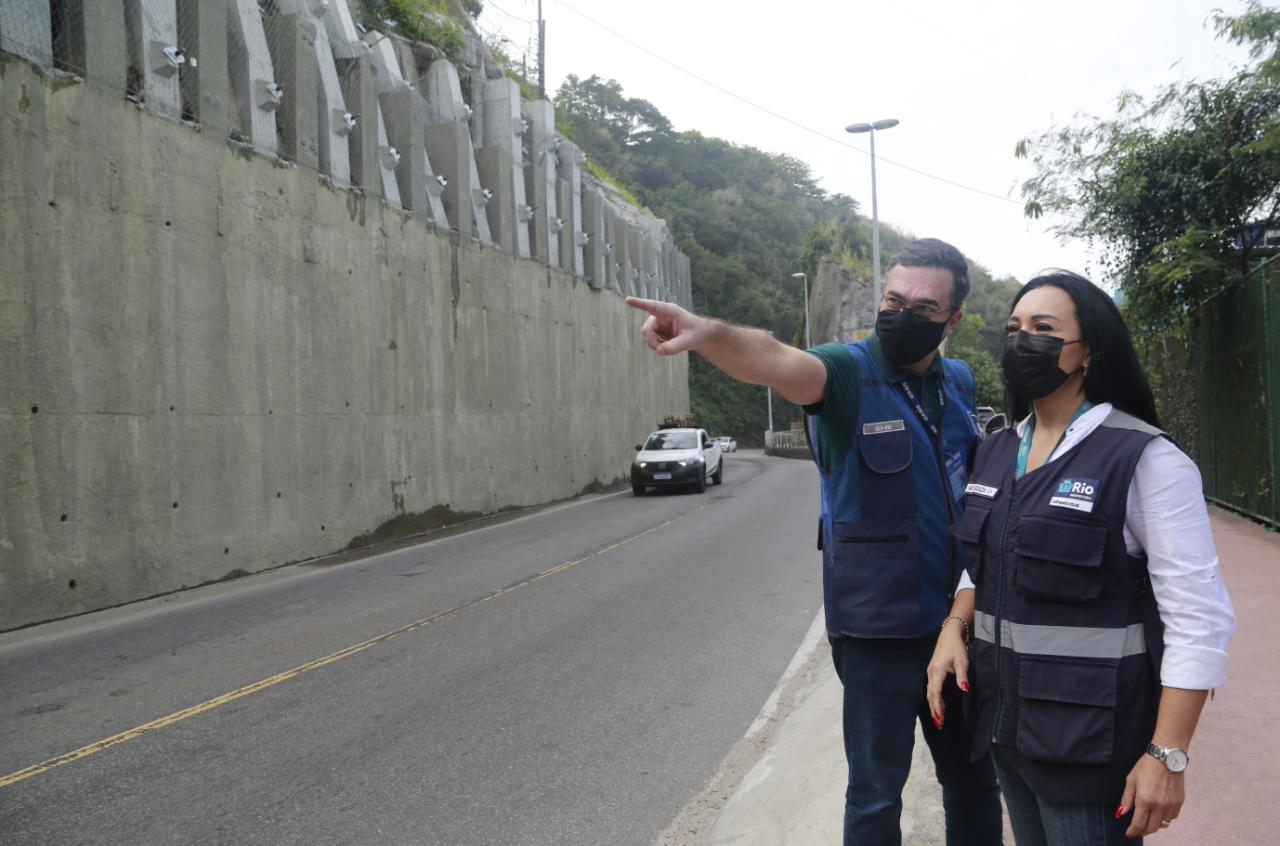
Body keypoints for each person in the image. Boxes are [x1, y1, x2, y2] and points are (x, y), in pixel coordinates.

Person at [628, 238, 1003, 845]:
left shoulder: (957, 383)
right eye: (893, 298)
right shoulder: (848, 373)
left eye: (924, 307)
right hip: (878, 637)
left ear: (953, 321)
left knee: (974, 782)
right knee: (876, 795)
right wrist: (705, 333)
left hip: (956, 630)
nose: (902, 314)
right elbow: (775, 360)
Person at [925, 271, 1236, 845]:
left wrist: (1167, 755)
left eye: (1044, 329)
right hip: (1005, 730)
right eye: (1014, 328)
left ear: (1088, 349)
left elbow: (1199, 619)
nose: (1023, 342)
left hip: (1089, 745)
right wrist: (954, 626)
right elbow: (985, 557)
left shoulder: (1143, 459)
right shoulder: (996, 450)